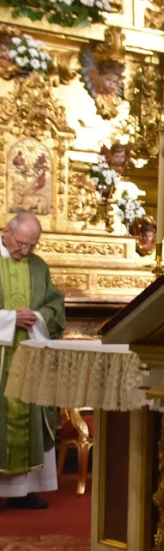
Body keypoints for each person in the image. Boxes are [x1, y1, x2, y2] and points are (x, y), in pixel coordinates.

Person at [0, 211, 66, 510]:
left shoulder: (38, 267)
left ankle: (23, 489)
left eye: (32, 245)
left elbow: (56, 306)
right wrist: (10, 319)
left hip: (29, 355)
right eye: (22, 243)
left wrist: (36, 317)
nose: (25, 251)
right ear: (6, 232)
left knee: (30, 417)